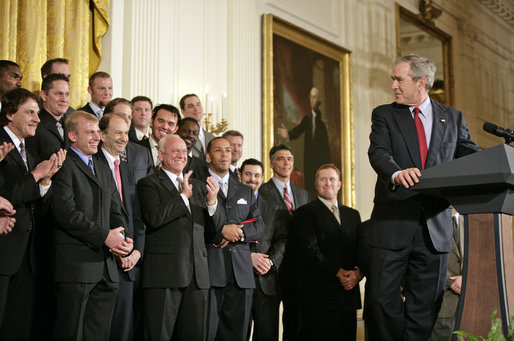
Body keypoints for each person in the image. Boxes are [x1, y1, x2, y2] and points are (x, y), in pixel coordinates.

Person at [367, 54, 480, 340]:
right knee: (382, 301)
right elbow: (379, 153)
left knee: (426, 306)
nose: (393, 85)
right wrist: (396, 173)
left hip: (434, 227)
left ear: (421, 83)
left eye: (398, 79)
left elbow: (469, 155)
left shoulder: (452, 117)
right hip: (392, 222)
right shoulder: (384, 114)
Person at [51, 111, 133, 340]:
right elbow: (65, 213)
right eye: (90, 132)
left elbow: (115, 208)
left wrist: (124, 237)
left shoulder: (101, 165)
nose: (97, 137)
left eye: (98, 131)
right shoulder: (63, 163)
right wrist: (104, 236)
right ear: (72, 135)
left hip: (106, 268)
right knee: (71, 332)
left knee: (96, 334)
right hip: (77, 266)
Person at [137, 134, 223, 340]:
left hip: (197, 276)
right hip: (165, 275)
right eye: (175, 151)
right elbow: (154, 218)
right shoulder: (148, 184)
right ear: (161, 154)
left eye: (184, 151)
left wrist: (212, 204)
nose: (181, 155)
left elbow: (213, 233)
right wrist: (183, 197)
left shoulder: (199, 186)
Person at [0, 88, 65, 339]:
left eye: (38, 113)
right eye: (29, 112)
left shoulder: (33, 153)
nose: (37, 119)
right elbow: (5, 197)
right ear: (9, 114)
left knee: (18, 325)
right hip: (4, 249)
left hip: (27, 253)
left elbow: (37, 204)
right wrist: (36, 175)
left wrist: (46, 182)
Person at [292, 163, 362, 340]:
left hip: (348, 295)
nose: (327, 183)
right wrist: (337, 272)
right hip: (318, 297)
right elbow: (309, 250)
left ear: (339, 184)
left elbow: (361, 249)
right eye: (323, 179)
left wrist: (358, 273)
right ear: (316, 184)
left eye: (332, 179)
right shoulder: (304, 213)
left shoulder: (353, 215)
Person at [204, 137, 264, 341]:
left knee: (239, 334)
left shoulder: (245, 190)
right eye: (218, 150)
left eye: (228, 150)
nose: (224, 154)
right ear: (208, 155)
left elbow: (258, 225)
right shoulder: (199, 185)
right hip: (212, 270)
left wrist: (237, 233)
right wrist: (222, 230)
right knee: (208, 331)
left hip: (241, 272)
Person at [96, 113, 146, 341]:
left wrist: (136, 251)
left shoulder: (126, 168)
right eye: (117, 132)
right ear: (102, 134)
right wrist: (116, 248)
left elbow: (136, 215)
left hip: (128, 263)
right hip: (102, 259)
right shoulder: (92, 164)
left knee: (123, 330)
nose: (123, 138)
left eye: (126, 132)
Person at [259, 144, 309, 341]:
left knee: (295, 323)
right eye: (280, 158)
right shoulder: (262, 191)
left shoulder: (302, 194)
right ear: (271, 164)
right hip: (270, 268)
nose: (286, 162)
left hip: (296, 269)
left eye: (289, 158)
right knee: (267, 326)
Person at [238, 158, 278, 341]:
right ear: (239, 176)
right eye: (247, 174)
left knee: (267, 334)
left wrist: (270, 261)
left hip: (266, 281)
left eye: (256, 175)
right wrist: (248, 257)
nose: (252, 179)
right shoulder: (228, 202)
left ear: (262, 178)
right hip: (238, 279)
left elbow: (282, 238)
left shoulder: (274, 206)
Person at [277, 87, 330, 197]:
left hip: (321, 161)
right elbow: (298, 130)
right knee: (310, 187)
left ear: (318, 101)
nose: (312, 100)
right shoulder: (307, 119)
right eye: (310, 97)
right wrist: (288, 134)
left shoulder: (322, 123)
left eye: (314, 97)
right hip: (309, 161)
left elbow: (326, 147)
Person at [430, 209, 464, 341]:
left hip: (474, 304)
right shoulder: (429, 222)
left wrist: (467, 280)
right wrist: (453, 282)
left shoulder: (475, 219)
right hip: (443, 304)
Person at [103, 97, 154, 180]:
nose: (127, 121)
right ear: (106, 117)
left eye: (129, 117)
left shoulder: (142, 153)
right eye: (121, 116)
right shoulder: (94, 152)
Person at [27, 73, 71, 160]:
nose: (64, 99)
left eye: (67, 94)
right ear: (43, 95)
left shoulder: (72, 124)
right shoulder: (34, 126)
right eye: (58, 94)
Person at [137, 104, 180, 168]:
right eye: (160, 121)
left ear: (176, 129)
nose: (165, 127)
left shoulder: (180, 155)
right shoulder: (136, 149)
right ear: (152, 121)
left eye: (170, 124)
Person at [179, 93, 214, 161]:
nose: (196, 108)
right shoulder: (178, 136)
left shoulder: (212, 137)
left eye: (198, 104)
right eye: (190, 106)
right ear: (183, 111)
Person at [176, 117, 209, 181]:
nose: (190, 135)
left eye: (195, 133)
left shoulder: (203, 166)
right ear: (177, 131)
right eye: (186, 131)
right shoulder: (167, 159)